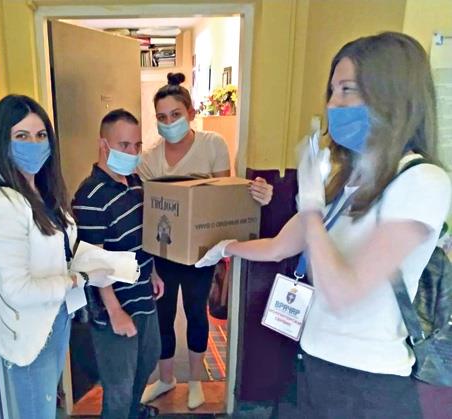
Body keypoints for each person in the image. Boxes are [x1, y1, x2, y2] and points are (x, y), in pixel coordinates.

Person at [197, 32, 451, 418]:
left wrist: (313, 205)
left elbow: (342, 291)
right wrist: (222, 248)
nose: (334, 104)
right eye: (332, 91)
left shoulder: (422, 181)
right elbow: (281, 246)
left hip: (367, 382)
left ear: (392, 94)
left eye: (348, 89)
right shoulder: (351, 180)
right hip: (313, 363)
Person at [138, 72, 274, 409]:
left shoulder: (212, 145)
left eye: (175, 114)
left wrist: (258, 193)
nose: (168, 123)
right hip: (163, 252)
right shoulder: (149, 159)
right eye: (161, 117)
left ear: (190, 112)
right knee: (162, 316)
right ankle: (166, 378)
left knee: (196, 314)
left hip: (202, 252)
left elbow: (221, 198)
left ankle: (196, 380)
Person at [0, 94, 112, 419]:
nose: (34, 144)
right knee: (38, 412)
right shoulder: (4, 204)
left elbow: (59, 248)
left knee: (48, 403)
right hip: (30, 331)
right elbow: (17, 289)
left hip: (56, 316)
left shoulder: (42, 189)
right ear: (3, 142)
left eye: (41, 135)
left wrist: (89, 261)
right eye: (22, 136)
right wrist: (79, 279)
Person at [72, 109, 163, 419]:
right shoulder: (89, 195)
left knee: (147, 360)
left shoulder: (136, 183)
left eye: (137, 145)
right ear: (103, 145)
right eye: (124, 145)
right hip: (113, 304)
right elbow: (92, 261)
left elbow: (144, 234)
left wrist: (154, 272)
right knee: (119, 388)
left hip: (143, 293)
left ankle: (134, 412)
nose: (132, 152)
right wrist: (114, 311)